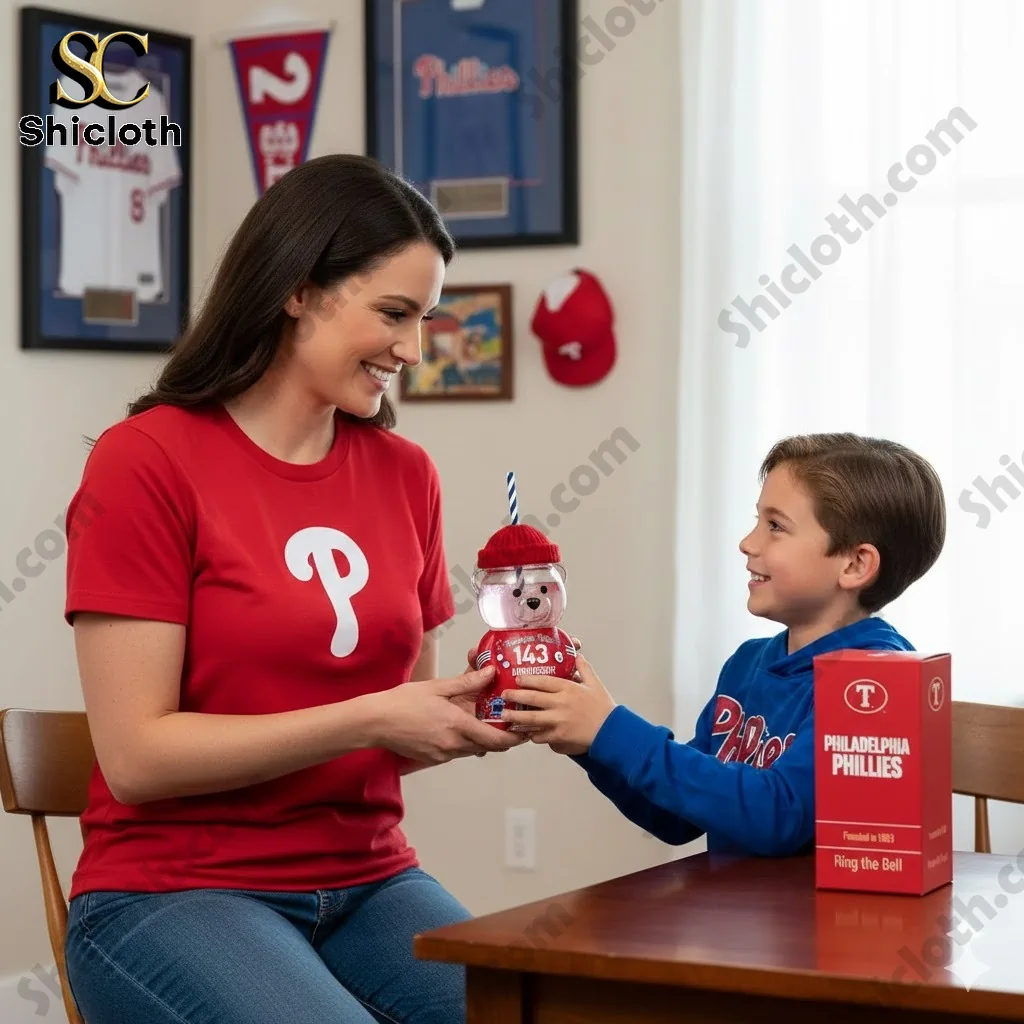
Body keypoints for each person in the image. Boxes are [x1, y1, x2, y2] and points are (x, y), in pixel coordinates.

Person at [62, 154, 526, 1024]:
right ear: (297, 292)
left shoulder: (405, 473)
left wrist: (471, 714)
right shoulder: (147, 463)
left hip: (371, 879)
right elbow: (135, 759)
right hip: (172, 892)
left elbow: (399, 719)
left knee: (535, 1012)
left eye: (425, 319)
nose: (413, 350)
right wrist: (374, 717)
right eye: (393, 314)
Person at [493, 433, 946, 856]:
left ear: (854, 564)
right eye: (757, 520)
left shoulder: (877, 684)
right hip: (737, 928)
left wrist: (610, 728)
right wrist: (586, 739)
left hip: (818, 933)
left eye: (776, 526)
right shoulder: (746, 666)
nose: (747, 542)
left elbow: (779, 814)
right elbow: (677, 818)